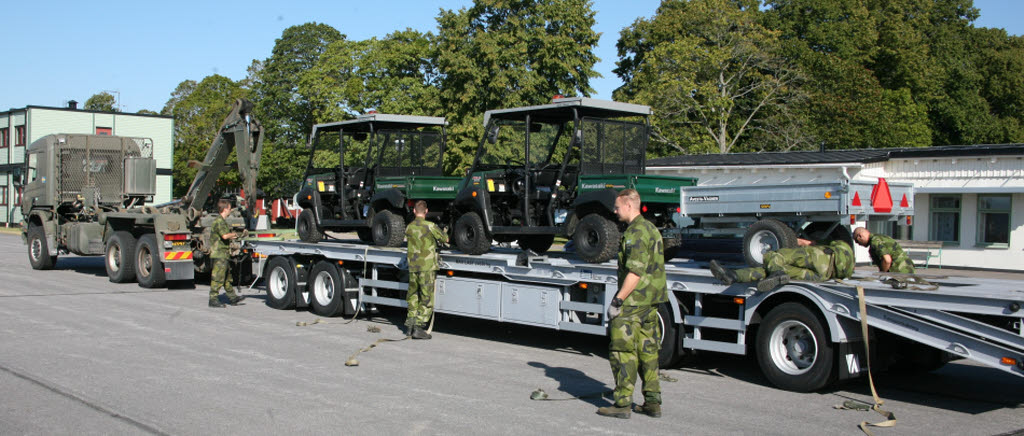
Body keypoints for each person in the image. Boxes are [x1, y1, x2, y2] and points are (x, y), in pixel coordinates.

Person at [597, 188, 667, 420]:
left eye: (617, 207)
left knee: (622, 351)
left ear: (629, 205)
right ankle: (653, 402)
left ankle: (622, 403)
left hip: (633, 302)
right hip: (651, 302)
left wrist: (618, 300)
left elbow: (635, 272)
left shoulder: (636, 232)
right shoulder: (651, 229)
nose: (615, 211)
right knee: (649, 352)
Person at [709, 237, 855, 293]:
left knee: (776, 256)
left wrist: (801, 241)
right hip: (823, 275)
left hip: (820, 259)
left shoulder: (839, 244)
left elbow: (816, 244)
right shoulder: (848, 262)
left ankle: (776, 273)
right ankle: (733, 275)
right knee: (777, 270)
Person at [404, 200, 448, 340]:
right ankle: (418, 327)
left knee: (413, 296)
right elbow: (445, 239)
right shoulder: (430, 226)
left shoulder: (409, 227)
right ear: (426, 211)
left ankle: (410, 326)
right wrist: (444, 231)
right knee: (426, 298)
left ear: (414, 211)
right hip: (426, 267)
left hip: (412, 267)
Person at [209, 198, 245, 308]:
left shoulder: (222, 221)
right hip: (219, 253)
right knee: (218, 277)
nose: (230, 211)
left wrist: (236, 235)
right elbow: (224, 236)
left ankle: (232, 298)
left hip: (223, 253)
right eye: (229, 208)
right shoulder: (219, 221)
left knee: (227, 278)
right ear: (225, 209)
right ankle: (213, 299)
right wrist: (236, 234)